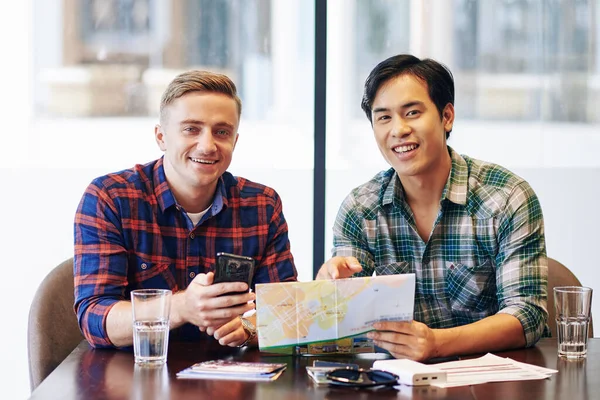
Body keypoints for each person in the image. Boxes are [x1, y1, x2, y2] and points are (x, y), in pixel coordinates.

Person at [317, 54, 548, 361]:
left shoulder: (506, 197)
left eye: (412, 112)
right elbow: (345, 322)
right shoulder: (360, 209)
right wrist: (330, 289)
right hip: (399, 385)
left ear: (446, 116)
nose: (398, 130)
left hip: (493, 381)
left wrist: (436, 343)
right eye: (383, 117)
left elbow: (528, 315)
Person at [74, 70, 297, 349]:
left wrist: (250, 330)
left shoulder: (263, 205)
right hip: (136, 379)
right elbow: (94, 319)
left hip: (231, 381)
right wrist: (180, 308)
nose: (207, 145)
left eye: (222, 132)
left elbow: (286, 314)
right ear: (161, 137)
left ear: (235, 142)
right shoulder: (111, 198)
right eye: (191, 129)